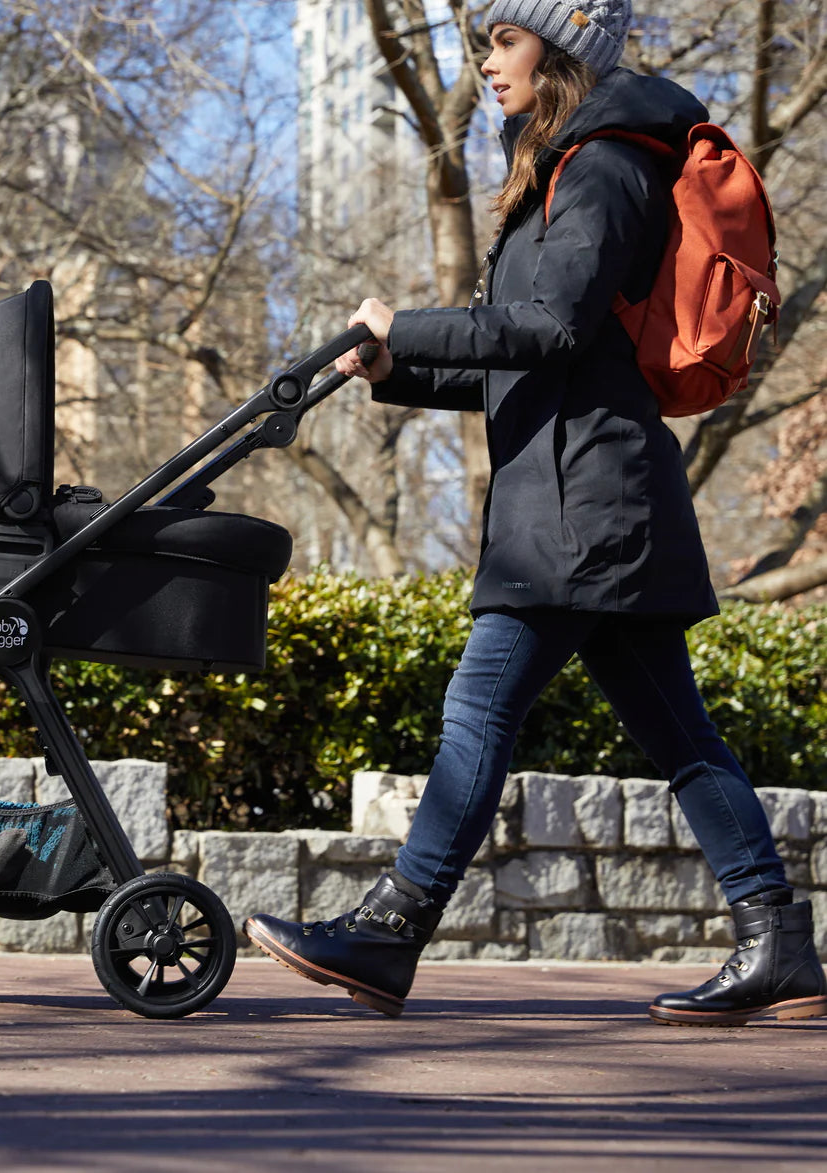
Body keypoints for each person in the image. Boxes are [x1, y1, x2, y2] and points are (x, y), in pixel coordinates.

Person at [244, 0, 827, 1026]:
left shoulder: (601, 163)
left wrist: (406, 321)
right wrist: (398, 363)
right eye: (482, 43)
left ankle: (389, 932)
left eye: (504, 41)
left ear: (560, 45)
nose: (486, 63)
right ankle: (777, 942)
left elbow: (550, 326)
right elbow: (534, 362)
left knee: (478, 713)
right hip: (588, 495)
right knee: (682, 738)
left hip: (580, 506)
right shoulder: (560, 166)